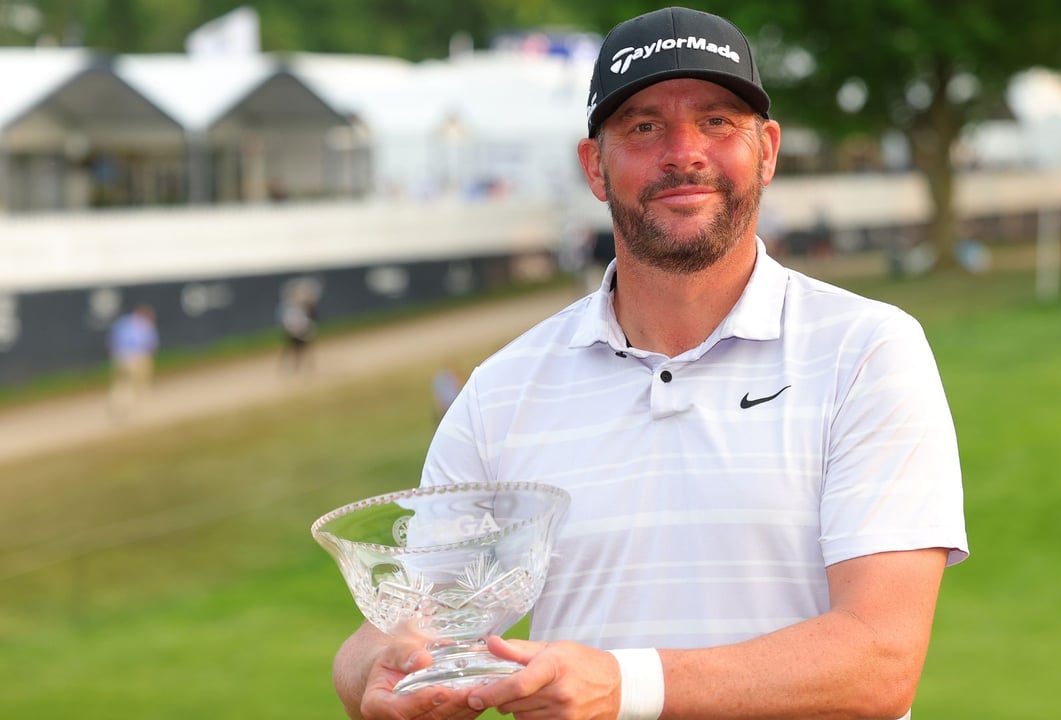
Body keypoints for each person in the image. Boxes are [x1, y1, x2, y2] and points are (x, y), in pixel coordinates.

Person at [332, 7, 968, 720]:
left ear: (768, 150)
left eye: (718, 122)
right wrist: (369, 675)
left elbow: (879, 662)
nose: (683, 152)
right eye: (643, 127)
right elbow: (406, 628)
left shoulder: (868, 351)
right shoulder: (503, 391)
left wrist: (625, 687)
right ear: (593, 167)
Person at [107, 304, 158, 418]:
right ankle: (134, 408)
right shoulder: (145, 325)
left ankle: (117, 403)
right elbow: (150, 344)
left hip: (121, 356)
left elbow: (113, 339)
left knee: (122, 383)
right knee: (138, 384)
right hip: (138, 357)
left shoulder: (123, 322)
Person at [278, 289, 318, 374]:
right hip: (294, 334)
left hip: (300, 333)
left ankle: (303, 367)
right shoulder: (293, 310)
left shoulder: (302, 309)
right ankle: (288, 367)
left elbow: (306, 322)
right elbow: (289, 322)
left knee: (302, 351)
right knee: (291, 351)